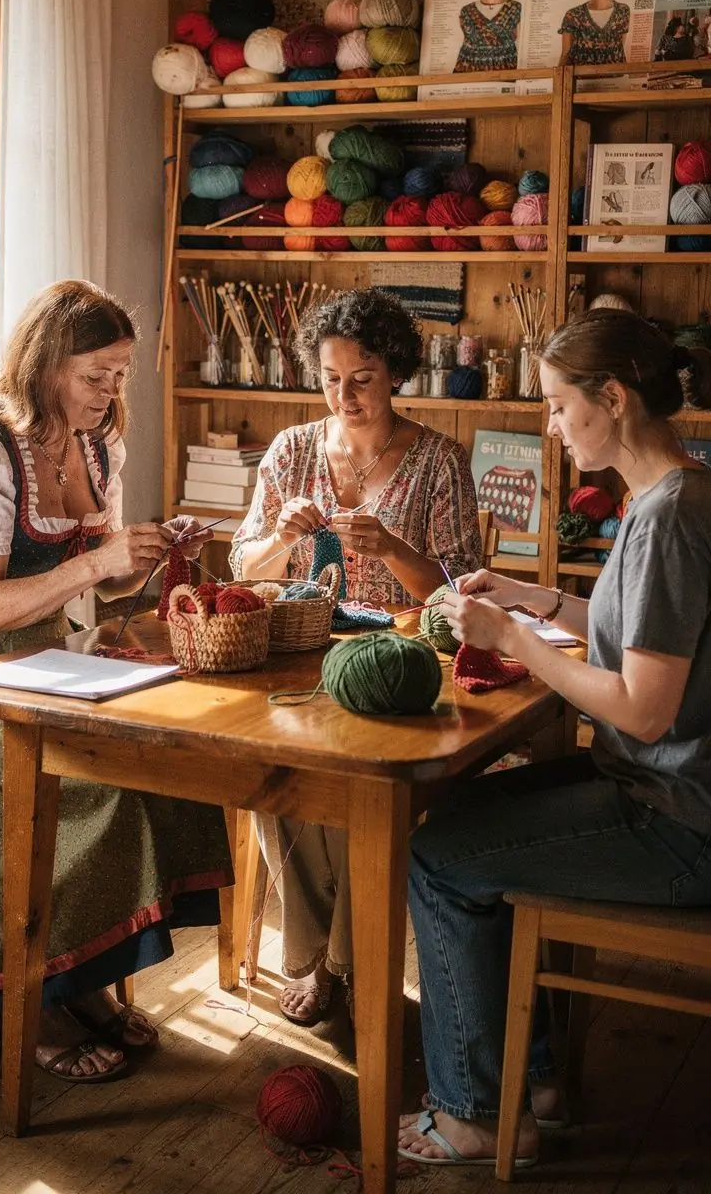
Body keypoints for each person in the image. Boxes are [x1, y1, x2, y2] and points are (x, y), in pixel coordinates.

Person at [0, 280, 233, 1084]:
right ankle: (33, 999)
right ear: (45, 365)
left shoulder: (93, 444)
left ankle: (75, 981)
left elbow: (99, 582)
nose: (111, 392)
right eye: (95, 376)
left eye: (120, 374)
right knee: (69, 799)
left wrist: (139, 556)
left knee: (151, 772)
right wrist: (100, 561)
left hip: (44, 657)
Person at [398, 309, 711, 1167]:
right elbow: (639, 638)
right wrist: (536, 598)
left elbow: (643, 709)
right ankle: (524, 1082)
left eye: (557, 404)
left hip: (680, 822)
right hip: (666, 795)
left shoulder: (670, 518)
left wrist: (515, 644)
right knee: (456, 813)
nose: (549, 424)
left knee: (439, 858)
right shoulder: (674, 493)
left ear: (611, 399)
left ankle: (471, 1113)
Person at [231, 288, 481, 1025]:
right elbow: (246, 566)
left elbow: (461, 593)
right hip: (305, 660)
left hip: (403, 672)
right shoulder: (291, 451)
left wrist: (395, 548)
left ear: (395, 371)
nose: (345, 395)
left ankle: (341, 965)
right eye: (331, 377)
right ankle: (318, 959)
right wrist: (281, 535)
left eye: (362, 378)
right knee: (272, 773)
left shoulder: (439, 461)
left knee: (360, 784)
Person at [558, 0, 629, 65]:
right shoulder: (573, 14)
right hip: (584, 74)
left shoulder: (623, 10)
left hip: (613, 73)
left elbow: (565, 53)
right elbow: (565, 53)